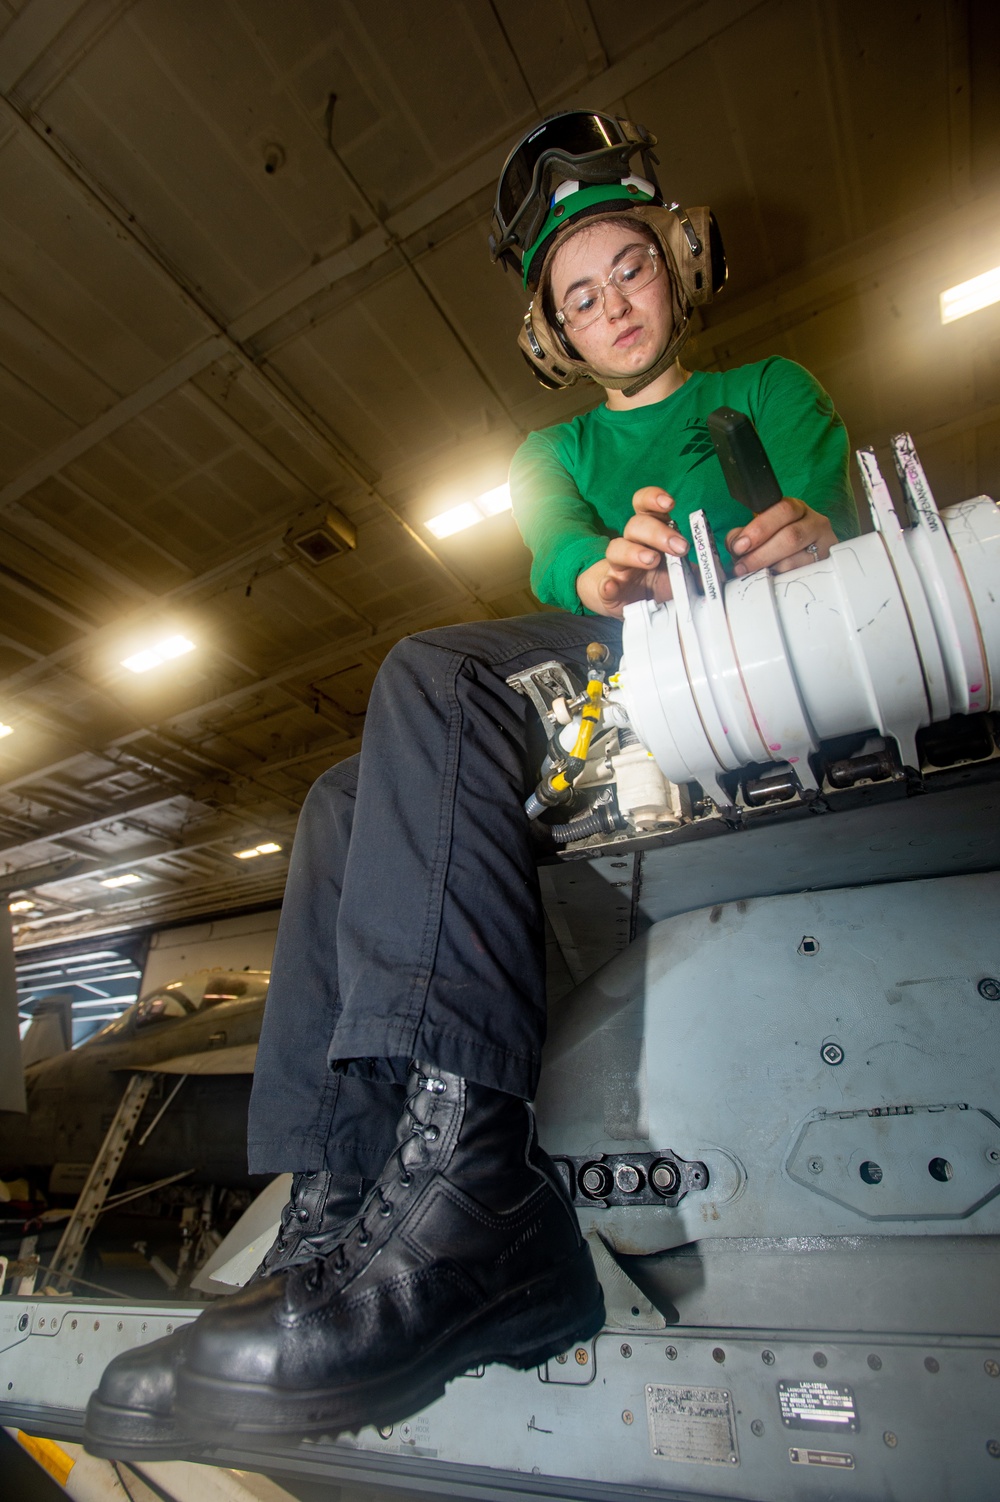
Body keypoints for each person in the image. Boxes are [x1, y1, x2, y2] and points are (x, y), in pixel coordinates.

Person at [83, 112, 857, 1456]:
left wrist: (814, 535)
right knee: (339, 797)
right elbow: (563, 558)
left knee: (429, 677)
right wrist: (600, 573)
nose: (613, 302)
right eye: (580, 293)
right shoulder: (547, 457)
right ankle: (333, 1219)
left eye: (629, 267)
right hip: (613, 676)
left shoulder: (774, 392)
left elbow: (830, 516)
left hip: (754, 670)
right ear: (553, 330)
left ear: (677, 264)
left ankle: (473, 1200)